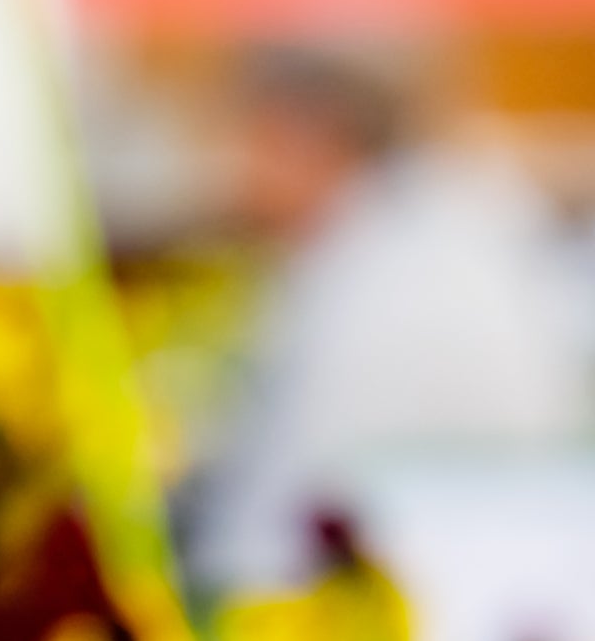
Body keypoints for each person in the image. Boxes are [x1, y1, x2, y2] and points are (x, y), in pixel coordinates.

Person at [185, 40, 595, 595]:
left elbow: (271, 530)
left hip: (388, 621)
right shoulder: (455, 234)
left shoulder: (377, 276)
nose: (234, 172)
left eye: (248, 141)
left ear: (306, 135)